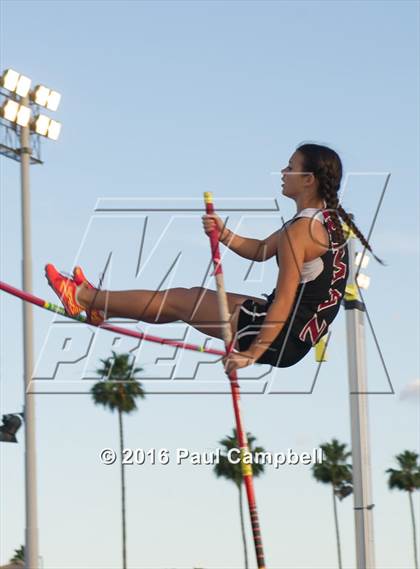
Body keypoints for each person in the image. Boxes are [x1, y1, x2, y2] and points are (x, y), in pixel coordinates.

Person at [45, 143, 384, 374]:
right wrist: (225, 235)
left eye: (290, 167)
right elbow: (262, 250)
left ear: (308, 179)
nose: (283, 171)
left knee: (182, 301)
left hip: (281, 332)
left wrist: (251, 354)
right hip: (293, 335)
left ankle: (85, 299)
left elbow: (283, 300)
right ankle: (99, 305)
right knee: (188, 298)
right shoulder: (323, 223)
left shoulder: (302, 231)